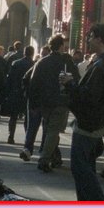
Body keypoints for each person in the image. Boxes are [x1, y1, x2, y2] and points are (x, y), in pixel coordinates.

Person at [62, 23, 104, 201]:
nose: (87, 39)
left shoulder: (102, 65)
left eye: (90, 36)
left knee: (80, 167)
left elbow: (90, 96)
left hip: (89, 122)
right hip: (95, 120)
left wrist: (70, 84)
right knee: (86, 166)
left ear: (99, 39)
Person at [28, 33, 79, 172]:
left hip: (44, 101)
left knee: (50, 128)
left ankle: (54, 157)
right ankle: (44, 159)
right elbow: (76, 78)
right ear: (62, 46)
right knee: (53, 130)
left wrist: (33, 104)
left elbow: (33, 83)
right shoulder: (66, 62)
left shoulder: (42, 62)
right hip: (61, 100)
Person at [4, 45, 34, 145]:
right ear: (32, 53)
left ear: (24, 52)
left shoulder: (16, 63)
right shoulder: (34, 64)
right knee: (27, 118)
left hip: (15, 92)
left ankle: (10, 136)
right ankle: (27, 139)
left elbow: (10, 79)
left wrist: (7, 92)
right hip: (28, 94)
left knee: (13, 117)